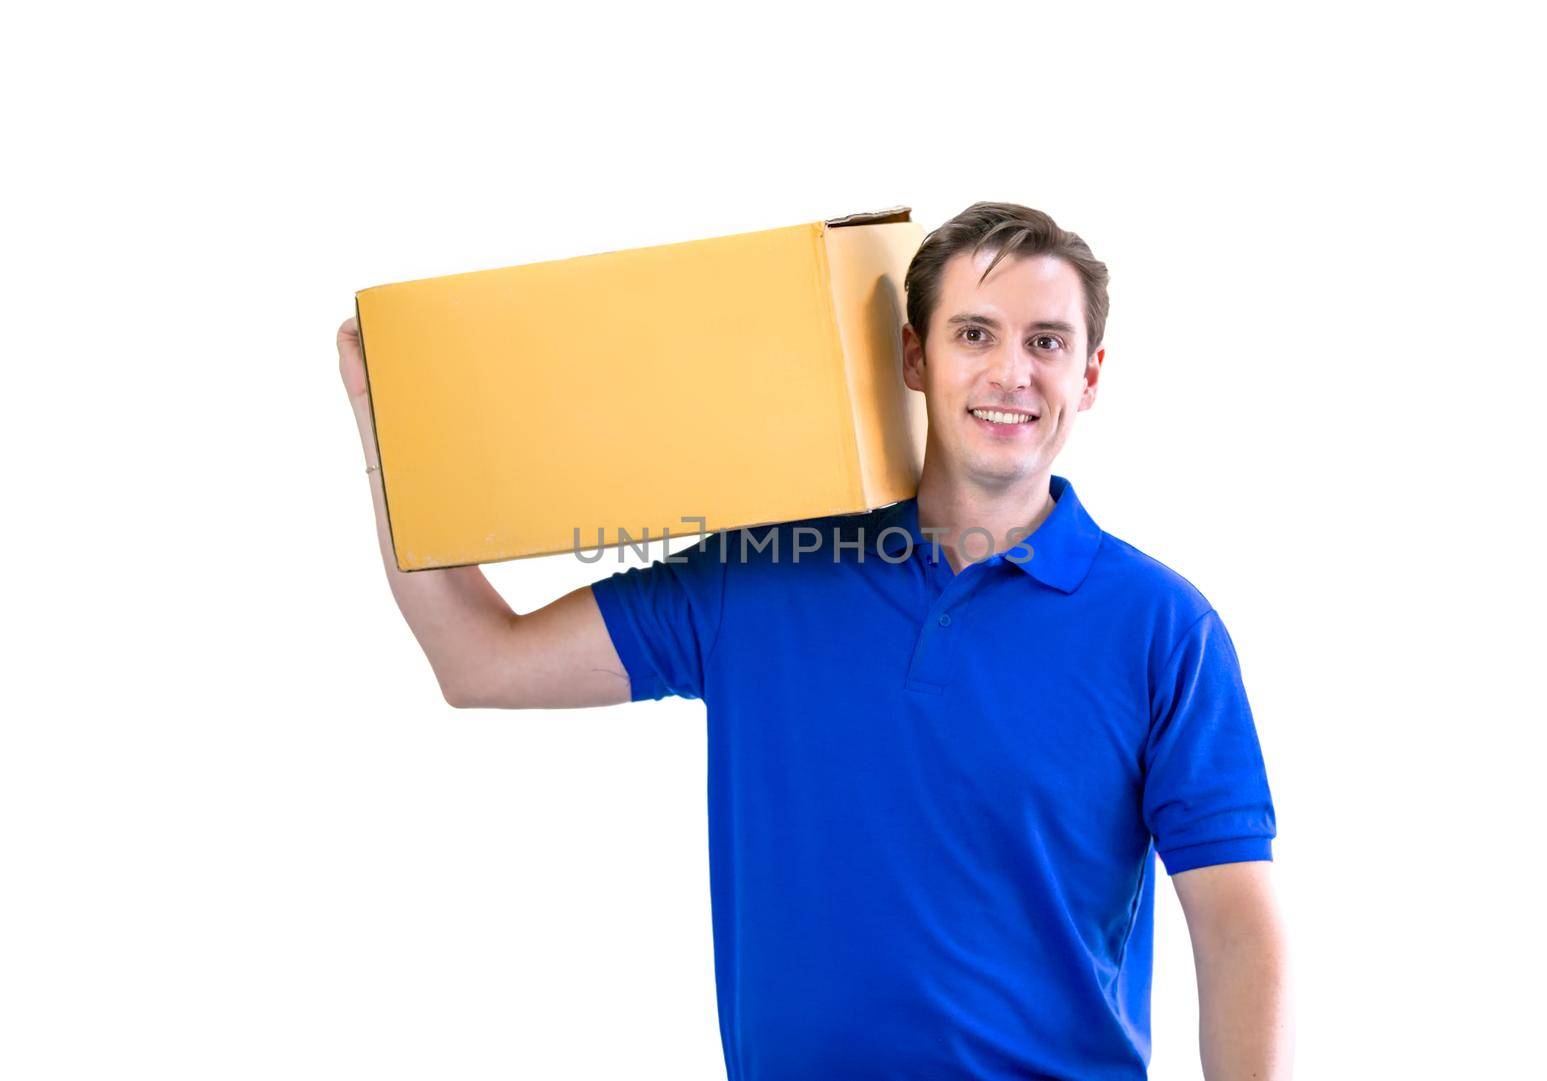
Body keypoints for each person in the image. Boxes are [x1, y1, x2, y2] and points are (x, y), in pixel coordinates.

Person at [338, 202, 1292, 1080]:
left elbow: (1237, 930)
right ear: (915, 357)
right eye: (975, 334)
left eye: (1047, 341)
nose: (1011, 372)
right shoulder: (763, 573)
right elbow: (479, 659)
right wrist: (393, 439)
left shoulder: (1164, 629)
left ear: (1089, 375)